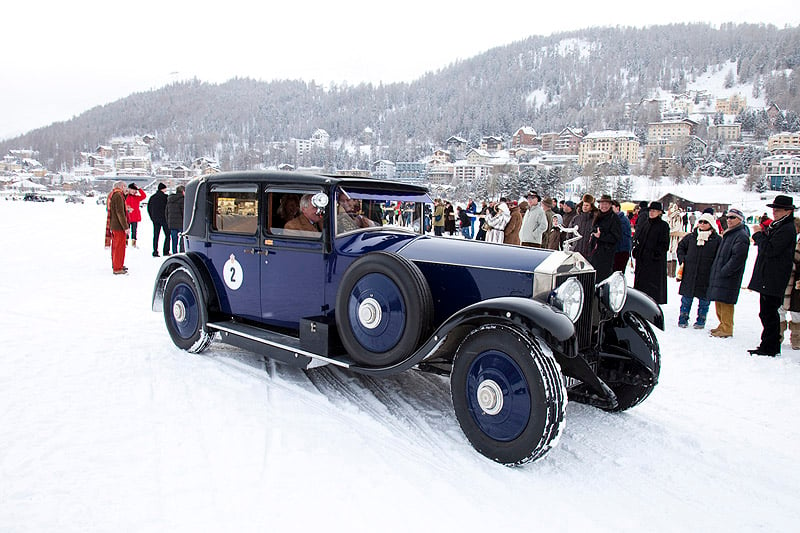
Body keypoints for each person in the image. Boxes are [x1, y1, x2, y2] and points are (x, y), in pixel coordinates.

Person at [746, 195, 798, 357]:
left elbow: (770, 249)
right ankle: (769, 344)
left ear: (788, 212)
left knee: (769, 313)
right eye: (774, 209)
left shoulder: (786, 229)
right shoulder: (779, 226)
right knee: (767, 312)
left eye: (778, 209)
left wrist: (758, 236)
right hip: (770, 276)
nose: (774, 212)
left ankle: (770, 346)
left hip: (774, 277)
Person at [707, 208, 750, 339]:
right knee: (719, 300)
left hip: (729, 275)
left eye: (733, 218)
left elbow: (738, 258)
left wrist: (725, 270)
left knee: (726, 302)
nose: (729, 220)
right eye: (728, 217)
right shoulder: (729, 233)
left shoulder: (741, 235)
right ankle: (722, 325)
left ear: (740, 220)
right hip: (721, 272)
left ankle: (727, 327)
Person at [676, 213, 721, 329]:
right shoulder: (691, 237)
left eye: (705, 222)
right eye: (700, 222)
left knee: (704, 300)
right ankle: (683, 318)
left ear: (711, 224)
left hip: (706, 274)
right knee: (686, 298)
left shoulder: (716, 240)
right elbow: (680, 248)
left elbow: (720, 255)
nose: (702, 224)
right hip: (690, 272)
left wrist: (715, 267)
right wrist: (683, 260)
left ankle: (701, 320)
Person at [632, 201, 670, 304]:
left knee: (652, 289)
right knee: (641, 286)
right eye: (650, 210)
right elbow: (640, 239)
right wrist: (637, 250)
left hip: (654, 263)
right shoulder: (646, 223)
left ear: (659, 212)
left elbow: (664, 245)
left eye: (654, 211)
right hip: (642, 260)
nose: (651, 213)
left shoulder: (663, 226)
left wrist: (654, 255)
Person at [588, 194, 622, 282]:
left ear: (610, 205)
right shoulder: (598, 216)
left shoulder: (614, 218)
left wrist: (601, 236)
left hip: (606, 255)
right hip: (594, 253)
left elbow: (616, 237)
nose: (604, 206)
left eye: (606, 204)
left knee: (602, 279)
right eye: (602, 204)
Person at [779, 217, 800, 349]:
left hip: (797, 281)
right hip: (784, 279)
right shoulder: (785, 239)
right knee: (780, 308)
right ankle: (777, 335)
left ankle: (797, 337)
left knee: (797, 311)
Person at [105, 181, 130, 275]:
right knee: (119, 247)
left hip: (114, 225)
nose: (126, 189)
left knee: (116, 247)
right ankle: (117, 267)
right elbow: (120, 213)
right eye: (125, 187)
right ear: (121, 186)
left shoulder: (113, 194)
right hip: (118, 226)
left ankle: (117, 264)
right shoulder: (118, 196)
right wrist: (125, 227)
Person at [147, 182, 169, 257]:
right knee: (167, 234)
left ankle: (155, 251)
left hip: (155, 219)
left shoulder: (152, 197)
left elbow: (149, 208)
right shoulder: (166, 197)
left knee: (156, 235)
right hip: (164, 219)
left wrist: (152, 217)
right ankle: (166, 251)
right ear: (163, 189)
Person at [612, 200, 632, 273]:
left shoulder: (622, 220)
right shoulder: (616, 218)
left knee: (617, 273)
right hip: (618, 250)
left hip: (621, 251)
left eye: (612, 208)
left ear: (617, 208)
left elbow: (619, 236)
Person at [125, 183, 146, 248]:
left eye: (135, 190)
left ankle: (133, 243)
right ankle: (125, 242)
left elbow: (144, 196)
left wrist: (139, 189)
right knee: (126, 230)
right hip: (127, 217)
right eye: (132, 189)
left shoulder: (136, 198)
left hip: (135, 217)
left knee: (134, 230)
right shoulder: (125, 197)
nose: (133, 191)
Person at [166, 185, 185, 254]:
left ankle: (174, 252)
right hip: (181, 223)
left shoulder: (170, 200)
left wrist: (168, 221)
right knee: (183, 238)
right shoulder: (182, 200)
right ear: (183, 191)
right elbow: (183, 212)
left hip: (172, 223)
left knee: (174, 239)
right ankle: (182, 252)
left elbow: (166, 211)